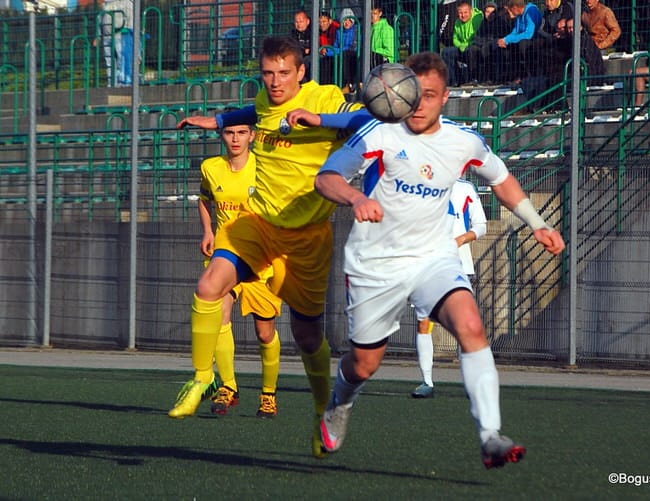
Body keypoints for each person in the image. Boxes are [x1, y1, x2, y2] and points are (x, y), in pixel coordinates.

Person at [313, 51, 565, 468]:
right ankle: (340, 401)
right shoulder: (378, 134)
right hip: (376, 263)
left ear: (445, 97)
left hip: (434, 256)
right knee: (364, 364)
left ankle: (490, 436)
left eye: (428, 95)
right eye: (412, 93)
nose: (417, 103)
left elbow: (501, 181)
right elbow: (326, 178)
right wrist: (356, 196)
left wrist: (537, 223)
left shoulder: (463, 142)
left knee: (470, 325)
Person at [175, 35, 362, 458]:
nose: (275, 82)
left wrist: (321, 121)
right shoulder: (264, 99)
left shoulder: (326, 96)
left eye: (284, 73)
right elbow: (257, 111)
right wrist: (220, 119)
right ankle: (204, 378)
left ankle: (322, 411)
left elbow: (368, 118)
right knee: (209, 287)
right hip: (258, 224)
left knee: (306, 333)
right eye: (268, 73)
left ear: (301, 72)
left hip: (308, 237)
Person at [175, 123, 283, 419]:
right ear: (222, 136)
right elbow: (204, 198)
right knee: (220, 313)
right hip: (226, 255)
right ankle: (229, 386)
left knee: (264, 333)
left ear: (251, 136)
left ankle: (268, 394)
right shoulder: (211, 167)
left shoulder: (265, 167)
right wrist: (208, 230)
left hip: (261, 259)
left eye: (241, 133)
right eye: (229, 133)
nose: (235, 139)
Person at [411, 178, 488, 399]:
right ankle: (426, 381)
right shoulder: (418, 185)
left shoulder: (464, 188)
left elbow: (480, 226)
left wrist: (460, 239)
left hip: (458, 265)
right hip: (426, 266)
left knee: (466, 325)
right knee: (424, 323)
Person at [497, 0, 543, 84]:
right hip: (523, 40)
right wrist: (504, 40)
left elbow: (528, 34)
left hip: (536, 40)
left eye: (509, 10)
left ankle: (530, 74)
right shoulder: (519, 15)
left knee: (523, 44)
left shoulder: (531, 12)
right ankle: (511, 75)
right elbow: (515, 32)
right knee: (504, 46)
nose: (508, 13)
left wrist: (508, 40)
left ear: (515, 8)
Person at [440, 0, 484, 86]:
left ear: (471, 11)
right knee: (446, 52)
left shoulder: (477, 19)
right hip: (462, 47)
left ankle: (473, 79)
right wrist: (460, 45)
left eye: (465, 12)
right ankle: (454, 80)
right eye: (460, 13)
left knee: (472, 50)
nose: (463, 15)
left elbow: (477, 37)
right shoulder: (457, 22)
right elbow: (455, 38)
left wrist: (467, 45)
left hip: (475, 47)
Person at [473, 2, 515, 84]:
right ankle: (475, 78)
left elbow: (504, 37)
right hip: (484, 45)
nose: (489, 14)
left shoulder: (501, 23)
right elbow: (477, 38)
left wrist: (492, 42)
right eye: (487, 12)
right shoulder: (483, 24)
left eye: (492, 12)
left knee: (493, 48)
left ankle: (497, 78)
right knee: (473, 49)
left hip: (500, 47)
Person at [96, 0, 134, 87]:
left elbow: (131, 18)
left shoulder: (126, 2)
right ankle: (112, 82)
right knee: (109, 60)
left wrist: (128, 31)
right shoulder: (105, 4)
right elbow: (99, 19)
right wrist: (98, 35)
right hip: (107, 35)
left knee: (122, 58)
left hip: (120, 34)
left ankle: (123, 81)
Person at [323, 14, 360, 94]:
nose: (346, 23)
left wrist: (333, 51)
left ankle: (349, 84)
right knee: (326, 58)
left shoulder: (356, 30)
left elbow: (353, 47)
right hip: (342, 52)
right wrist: (329, 51)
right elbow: (336, 46)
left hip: (353, 54)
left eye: (349, 20)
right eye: (344, 20)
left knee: (345, 55)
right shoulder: (339, 31)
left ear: (352, 21)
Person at [318, 11, 340, 84]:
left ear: (330, 21)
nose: (321, 24)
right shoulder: (317, 31)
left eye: (324, 21)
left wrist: (327, 50)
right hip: (325, 55)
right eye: (319, 22)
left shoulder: (336, 28)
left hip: (335, 55)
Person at [291, 10, 313, 82]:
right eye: (296, 22)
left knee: (306, 61)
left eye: (301, 21)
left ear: (307, 22)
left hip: (309, 58)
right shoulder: (293, 34)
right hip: (299, 57)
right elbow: (294, 46)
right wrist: (304, 51)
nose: (299, 24)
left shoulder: (312, 32)